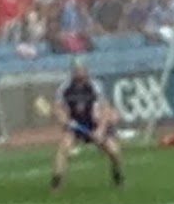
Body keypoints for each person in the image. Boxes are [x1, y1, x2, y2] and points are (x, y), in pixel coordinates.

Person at [51, 58, 125, 191]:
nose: (79, 72)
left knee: (114, 151)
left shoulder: (95, 86)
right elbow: (57, 108)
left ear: (86, 70)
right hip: (74, 125)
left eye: (81, 69)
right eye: (76, 70)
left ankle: (117, 176)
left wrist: (100, 130)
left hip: (94, 124)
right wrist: (62, 117)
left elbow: (105, 109)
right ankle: (57, 181)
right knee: (63, 148)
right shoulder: (64, 87)